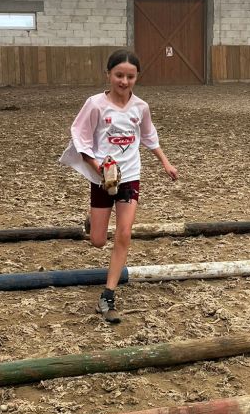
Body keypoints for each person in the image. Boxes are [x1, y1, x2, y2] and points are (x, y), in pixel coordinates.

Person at [59, 50, 178, 322]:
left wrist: (166, 163)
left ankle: (108, 295)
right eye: (119, 75)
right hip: (103, 177)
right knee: (98, 241)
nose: (124, 81)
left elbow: (149, 136)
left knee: (124, 233)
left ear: (137, 77)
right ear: (109, 75)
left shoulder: (141, 107)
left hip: (130, 176)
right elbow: (81, 140)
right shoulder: (95, 105)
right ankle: (92, 221)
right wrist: (98, 167)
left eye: (130, 76)